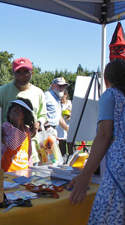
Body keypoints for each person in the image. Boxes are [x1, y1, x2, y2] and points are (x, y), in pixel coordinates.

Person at [68, 59, 125, 224]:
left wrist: (85, 175)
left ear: (106, 81)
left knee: (107, 215)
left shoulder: (110, 95)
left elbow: (104, 135)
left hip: (119, 170)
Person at [0, 57, 47, 165]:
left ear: (32, 73)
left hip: (30, 151)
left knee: (29, 180)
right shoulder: (2, 91)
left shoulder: (38, 93)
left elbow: (42, 114)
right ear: (13, 73)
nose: (21, 76)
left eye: (26, 73)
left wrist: (38, 122)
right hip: (8, 151)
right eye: (18, 73)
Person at [1, 98, 34, 172]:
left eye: (19, 108)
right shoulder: (7, 126)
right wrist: (17, 123)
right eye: (13, 107)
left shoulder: (27, 131)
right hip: (7, 172)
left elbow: (28, 153)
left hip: (23, 172)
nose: (14, 109)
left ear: (25, 114)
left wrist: (30, 167)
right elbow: (13, 145)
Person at [56, 89, 73, 159]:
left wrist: (70, 115)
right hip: (60, 127)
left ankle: (71, 158)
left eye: (63, 95)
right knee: (62, 146)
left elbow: (75, 113)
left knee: (71, 145)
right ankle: (63, 160)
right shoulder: (57, 104)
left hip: (69, 125)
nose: (61, 97)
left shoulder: (70, 103)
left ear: (66, 95)